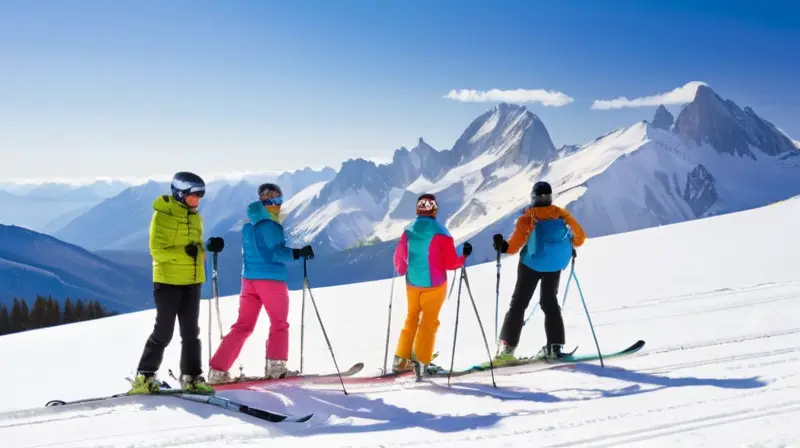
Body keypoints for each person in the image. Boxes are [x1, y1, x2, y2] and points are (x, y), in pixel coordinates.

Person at [206, 183, 314, 384]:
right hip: (271, 280)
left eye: (279, 200)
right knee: (279, 324)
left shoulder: (248, 226)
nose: (276, 205)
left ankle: (218, 371)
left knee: (243, 326)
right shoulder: (271, 226)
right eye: (271, 201)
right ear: (263, 202)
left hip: (248, 281)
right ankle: (276, 368)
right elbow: (277, 253)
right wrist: (299, 253)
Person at [129, 171, 213, 394]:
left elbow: (195, 248)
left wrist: (206, 249)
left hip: (193, 281)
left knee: (191, 333)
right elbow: (157, 252)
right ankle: (144, 377)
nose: (197, 201)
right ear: (179, 193)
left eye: (199, 197)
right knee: (164, 331)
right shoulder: (162, 215)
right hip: (167, 282)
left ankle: (192, 377)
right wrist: (185, 252)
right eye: (193, 196)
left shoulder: (195, 217)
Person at [491, 181, 586, 363]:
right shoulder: (561, 214)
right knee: (550, 303)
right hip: (555, 265)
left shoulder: (528, 218)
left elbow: (513, 247)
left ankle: (506, 350)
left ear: (533, 198)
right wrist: (569, 244)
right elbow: (580, 237)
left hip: (531, 266)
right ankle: (555, 347)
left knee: (519, 304)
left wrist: (501, 246)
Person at [392, 193, 472, 376]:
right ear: (434, 209)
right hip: (435, 284)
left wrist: (404, 269)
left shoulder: (408, 231)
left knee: (411, 317)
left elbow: (399, 262)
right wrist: (464, 257)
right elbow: (451, 263)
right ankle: (421, 362)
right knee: (428, 321)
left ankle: (400, 360)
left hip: (412, 283)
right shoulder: (441, 233)